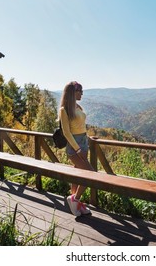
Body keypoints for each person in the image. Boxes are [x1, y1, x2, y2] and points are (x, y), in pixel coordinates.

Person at [59, 81, 94, 217]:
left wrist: (88, 138)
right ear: (73, 93)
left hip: (83, 143)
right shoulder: (64, 110)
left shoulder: (77, 106)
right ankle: (76, 199)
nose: (82, 94)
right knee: (90, 174)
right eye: (80, 91)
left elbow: (80, 126)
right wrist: (78, 149)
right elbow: (67, 133)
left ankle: (74, 201)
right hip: (75, 148)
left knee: (78, 173)